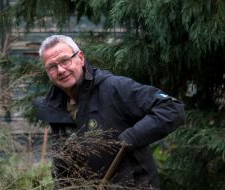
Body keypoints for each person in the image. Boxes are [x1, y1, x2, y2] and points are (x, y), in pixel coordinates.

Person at [34, 35, 185, 189]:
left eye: (65, 60)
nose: (60, 70)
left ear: (80, 57)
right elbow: (62, 169)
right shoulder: (55, 107)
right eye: (52, 66)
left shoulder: (114, 88)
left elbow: (171, 108)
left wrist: (133, 136)